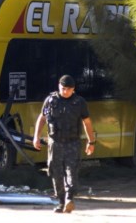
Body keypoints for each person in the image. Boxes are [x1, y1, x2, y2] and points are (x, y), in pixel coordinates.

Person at [33, 75, 95, 214]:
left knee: (71, 172)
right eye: (63, 88)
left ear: (73, 89)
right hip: (55, 143)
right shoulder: (50, 100)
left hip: (72, 143)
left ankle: (69, 198)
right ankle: (61, 202)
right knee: (56, 173)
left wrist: (91, 142)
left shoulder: (79, 103)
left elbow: (87, 123)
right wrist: (36, 137)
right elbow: (42, 118)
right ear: (58, 86)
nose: (65, 91)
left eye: (68, 89)